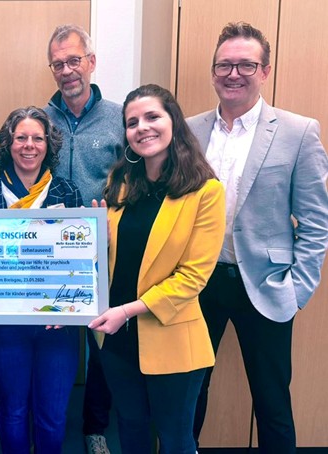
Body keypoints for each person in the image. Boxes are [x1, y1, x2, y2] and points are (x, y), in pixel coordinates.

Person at [188, 22, 328, 453]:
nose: (234, 74)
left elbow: (316, 222)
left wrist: (297, 290)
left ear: (265, 71)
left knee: (272, 403)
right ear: (213, 71)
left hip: (267, 286)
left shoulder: (298, 132)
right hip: (198, 284)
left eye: (246, 65)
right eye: (224, 65)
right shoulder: (189, 131)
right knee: (188, 394)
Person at [89, 84, 226, 453]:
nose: (142, 128)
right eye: (132, 122)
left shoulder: (206, 191)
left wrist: (127, 311)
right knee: (130, 431)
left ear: (173, 122)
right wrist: (90, 239)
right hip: (116, 340)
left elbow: (193, 277)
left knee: (176, 439)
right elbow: (111, 258)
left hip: (172, 340)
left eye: (152, 117)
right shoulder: (119, 184)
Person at [0, 106, 82, 454]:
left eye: (38, 138)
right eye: (21, 138)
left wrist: (71, 306)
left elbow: (80, 261)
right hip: (5, 322)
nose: (29, 145)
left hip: (57, 325)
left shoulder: (67, 191)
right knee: (14, 409)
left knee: (52, 414)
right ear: (8, 143)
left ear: (48, 144)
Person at [44, 24, 124, 454]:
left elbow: (135, 178)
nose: (67, 70)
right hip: (51, 253)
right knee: (54, 333)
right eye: (58, 64)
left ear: (91, 62)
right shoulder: (40, 119)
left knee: (102, 344)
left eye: (74, 60)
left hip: (104, 251)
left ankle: (95, 427)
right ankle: (49, 423)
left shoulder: (120, 117)